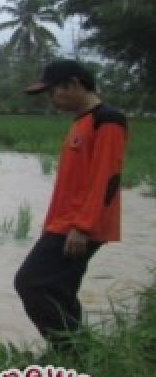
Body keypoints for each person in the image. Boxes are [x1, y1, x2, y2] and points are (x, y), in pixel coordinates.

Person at [14, 59, 128, 346]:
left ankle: (69, 350)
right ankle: (79, 353)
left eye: (54, 92)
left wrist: (83, 226)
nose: (52, 100)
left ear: (74, 84)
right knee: (59, 289)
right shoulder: (82, 122)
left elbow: (106, 178)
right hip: (64, 223)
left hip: (79, 227)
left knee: (31, 282)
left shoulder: (108, 120)